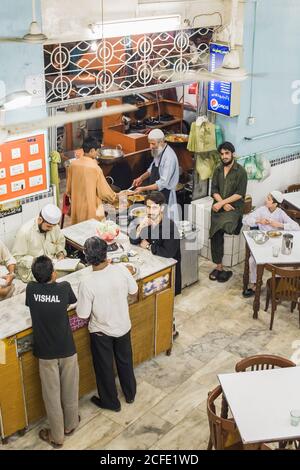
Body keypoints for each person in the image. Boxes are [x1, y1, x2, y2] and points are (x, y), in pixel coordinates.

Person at [77, 237, 138, 412]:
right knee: (125, 361)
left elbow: (82, 314)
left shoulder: (87, 281)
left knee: (104, 368)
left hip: (101, 332)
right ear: (106, 252)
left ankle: (111, 402)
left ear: (87, 258)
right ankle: (130, 393)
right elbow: (133, 292)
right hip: (123, 325)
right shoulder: (121, 270)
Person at [25, 256, 79, 448]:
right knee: (70, 389)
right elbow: (71, 302)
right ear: (54, 273)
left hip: (46, 353)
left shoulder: (31, 290)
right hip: (67, 349)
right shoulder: (64, 288)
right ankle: (70, 425)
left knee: (52, 396)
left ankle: (57, 436)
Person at [242, 190, 300, 297]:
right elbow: (245, 220)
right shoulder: (261, 210)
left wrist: (280, 225)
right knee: (251, 260)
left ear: (275, 204)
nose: (266, 200)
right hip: (263, 242)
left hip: (277, 244)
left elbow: (297, 227)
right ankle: (255, 284)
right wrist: (258, 221)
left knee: (283, 262)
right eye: (267, 197)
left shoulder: (281, 213)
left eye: (268, 199)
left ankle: (279, 287)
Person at [209, 142, 248, 283]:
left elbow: (240, 194)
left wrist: (223, 203)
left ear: (232, 154)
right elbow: (213, 190)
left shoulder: (241, 171)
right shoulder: (218, 169)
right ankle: (219, 267)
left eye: (227, 153)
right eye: (222, 153)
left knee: (223, 226)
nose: (224, 156)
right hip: (219, 206)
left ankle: (236, 226)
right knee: (214, 232)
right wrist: (220, 203)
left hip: (233, 207)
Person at [66, 137, 116, 224]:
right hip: (91, 207)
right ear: (92, 150)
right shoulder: (95, 168)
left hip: (77, 205)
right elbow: (104, 192)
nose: (97, 153)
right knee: (92, 230)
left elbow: (69, 190)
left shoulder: (73, 165)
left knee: (78, 230)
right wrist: (114, 197)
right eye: (97, 151)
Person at [132, 129, 180, 221]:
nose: (150, 147)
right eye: (149, 143)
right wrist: (141, 178)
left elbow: (162, 184)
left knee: (164, 223)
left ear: (161, 142)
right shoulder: (158, 151)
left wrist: (143, 188)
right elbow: (151, 170)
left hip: (165, 195)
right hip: (156, 195)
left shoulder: (169, 158)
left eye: (153, 144)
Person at [12, 204, 66, 283]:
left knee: (79, 267)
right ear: (40, 220)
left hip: (52, 266)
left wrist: (60, 254)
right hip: (33, 270)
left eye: (53, 226)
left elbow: (60, 242)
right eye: (48, 226)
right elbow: (17, 258)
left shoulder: (53, 227)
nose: (51, 229)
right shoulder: (25, 232)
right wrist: (37, 261)